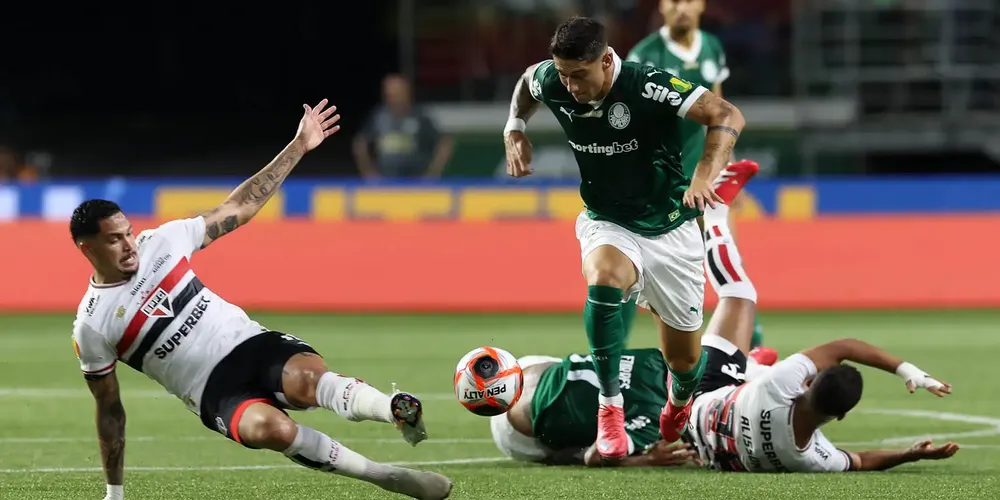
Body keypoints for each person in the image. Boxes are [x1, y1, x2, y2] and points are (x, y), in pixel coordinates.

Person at [70, 100, 452, 500]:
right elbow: (109, 410)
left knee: (309, 380)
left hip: (250, 345)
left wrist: (300, 145)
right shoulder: (93, 324)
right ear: (87, 248)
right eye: (115, 239)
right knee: (272, 430)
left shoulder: (162, 242)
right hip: (212, 391)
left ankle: (392, 406)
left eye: (128, 232)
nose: (130, 244)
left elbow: (239, 207)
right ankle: (388, 477)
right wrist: (114, 493)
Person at [503, 15, 749, 460]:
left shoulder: (645, 84)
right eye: (563, 75)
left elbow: (726, 113)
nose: (571, 87)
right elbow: (527, 82)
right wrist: (514, 128)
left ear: (606, 60)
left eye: (580, 75)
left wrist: (704, 174)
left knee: (686, 364)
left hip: (671, 230)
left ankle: (678, 405)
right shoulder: (551, 80)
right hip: (608, 220)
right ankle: (610, 408)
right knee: (603, 277)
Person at [489, 230, 772, 466]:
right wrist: (645, 459)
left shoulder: (659, 409)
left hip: (533, 399)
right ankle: (755, 365)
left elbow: (596, 454)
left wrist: (645, 459)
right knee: (737, 298)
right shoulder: (663, 414)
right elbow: (595, 455)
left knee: (738, 297)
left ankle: (754, 364)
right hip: (530, 408)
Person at [682, 277, 959, 472]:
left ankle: (716, 217)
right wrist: (909, 455)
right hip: (698, 445)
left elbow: (845, 346)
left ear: (810, 382)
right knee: (760, 366)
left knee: (739, 294)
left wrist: (907, 371)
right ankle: (752, 366)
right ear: (839, 416)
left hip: (699, 394)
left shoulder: (778, 383)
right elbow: (861, 461)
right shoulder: (808, 458)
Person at [627, 0, 764, 350]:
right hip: (663, 182)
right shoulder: (644, 56)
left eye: (689, 0)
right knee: (656, 270)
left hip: (704, 176)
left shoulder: (712, 48)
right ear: (663, 7)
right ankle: (664, 351)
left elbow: (720, 112)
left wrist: (725, 166)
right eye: (674, 1)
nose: (682, 8)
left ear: (701, 5)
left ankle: (749, 346)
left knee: (726, 252)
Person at [352, 74, 454, 179]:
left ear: (407, 93)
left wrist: (432, 174)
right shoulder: (378, 116)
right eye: (390, 94)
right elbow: (360, 143)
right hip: (385, 184)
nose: (393, 98)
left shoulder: (420, 117)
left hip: (415, 184)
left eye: (397, 93)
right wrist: (369, 173)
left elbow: (445, 143)